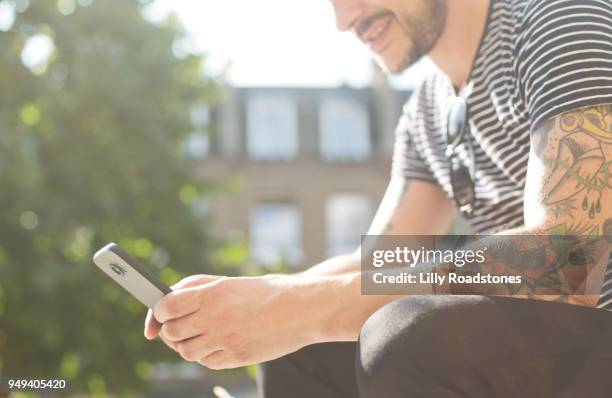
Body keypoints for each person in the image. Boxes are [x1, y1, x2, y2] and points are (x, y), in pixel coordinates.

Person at [144, 0, 612, 396]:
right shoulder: (429, 109)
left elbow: (567, 258)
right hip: (555, 354)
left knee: (404, 331)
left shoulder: (560, 23)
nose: (344, 19)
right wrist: (256, 298)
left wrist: (299, 308)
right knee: (303, 351)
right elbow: (382, 259)